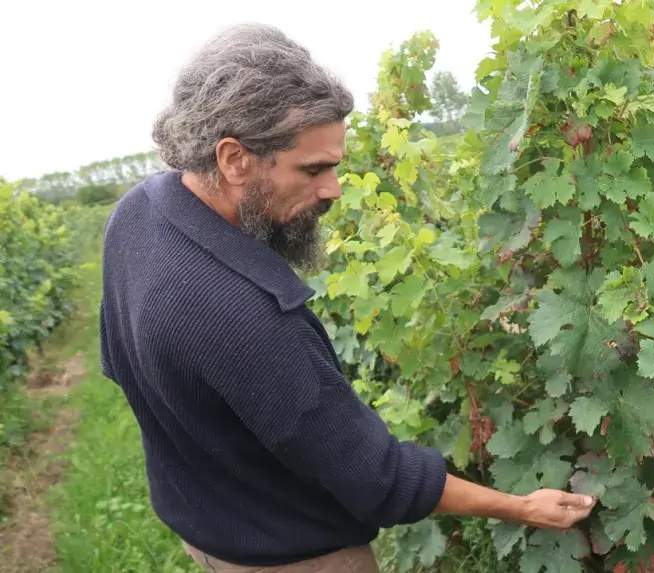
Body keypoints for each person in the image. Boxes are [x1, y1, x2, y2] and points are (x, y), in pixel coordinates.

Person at [98, 23, 594, 573]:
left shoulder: (138, 214)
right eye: (313, 169)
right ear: (234, 158)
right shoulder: (246, 316)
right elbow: (379, 479)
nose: (334, 189)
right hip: (297, 559)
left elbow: (121, 364)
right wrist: (525, 507)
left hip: (207, 533)